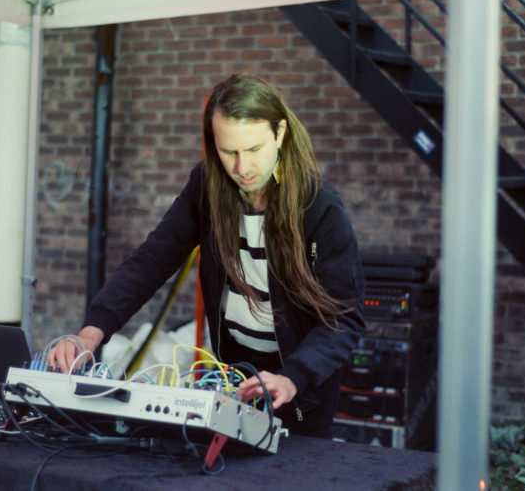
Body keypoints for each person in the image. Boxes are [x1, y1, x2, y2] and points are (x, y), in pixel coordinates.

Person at [49, 73, 366, 438]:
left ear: (279, 134)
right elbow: (152, 261)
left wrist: (293, 377)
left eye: (254, 150)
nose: (242, 168)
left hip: (299, 386)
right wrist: (90, 334)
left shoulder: (319, 207)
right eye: (229, 152)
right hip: (236, 374)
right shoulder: (206, 186)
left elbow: (344, 317)